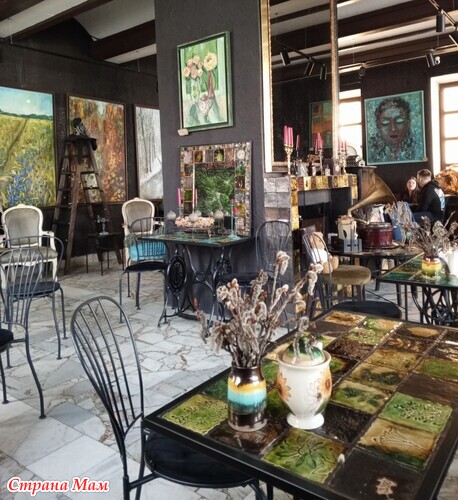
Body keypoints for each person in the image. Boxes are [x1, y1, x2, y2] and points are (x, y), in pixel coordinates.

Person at [368, 97, 424, 163]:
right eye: (385, 122)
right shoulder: (370, 151)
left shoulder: (418, 148)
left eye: (399, 120)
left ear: (408, 123)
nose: (393, 129)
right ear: (378, 125)